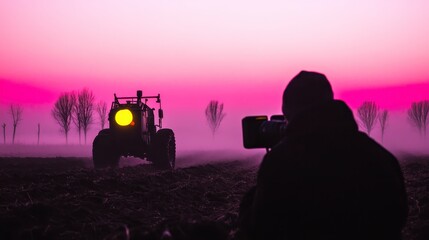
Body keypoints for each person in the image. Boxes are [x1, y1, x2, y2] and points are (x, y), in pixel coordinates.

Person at [237, 71, 408, 240]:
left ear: (290, 114)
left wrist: (254, 195)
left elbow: (259, 229)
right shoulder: (380, 157)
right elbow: (398, 218)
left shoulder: (281, 164)